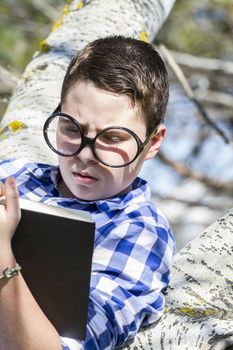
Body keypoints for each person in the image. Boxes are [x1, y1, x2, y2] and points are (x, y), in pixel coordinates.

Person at [0, 36, 175, 350]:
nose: (85, 154)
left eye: (112, 138)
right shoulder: (13, 174)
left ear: (153, 142)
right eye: (71, 129)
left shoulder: (139, 234)